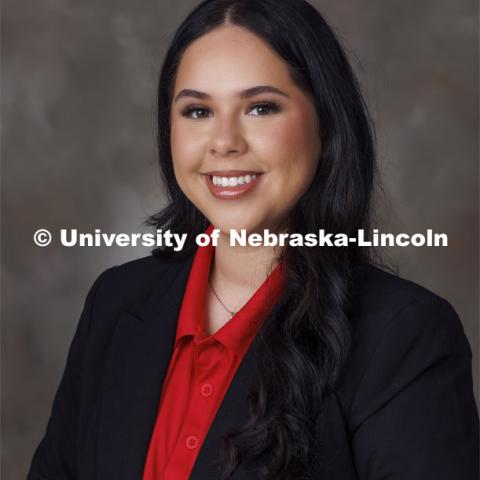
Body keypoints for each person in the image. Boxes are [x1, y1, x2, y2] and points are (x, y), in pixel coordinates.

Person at [27, 0, 479, 479]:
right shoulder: (114, 304)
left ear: (325, 124)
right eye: (197, 111)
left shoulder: (405, 336)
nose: (224, 142)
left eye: (261, 107)